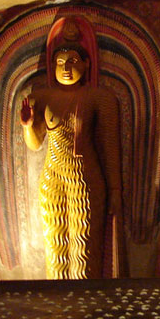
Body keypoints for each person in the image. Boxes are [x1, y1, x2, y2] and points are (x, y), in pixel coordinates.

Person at [20, 16, 124, 279]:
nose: (66, 68)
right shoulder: (41, 97)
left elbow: (110, 147)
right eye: (60, 63)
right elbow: (35, 144)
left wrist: (115, 191)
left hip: (85, 177)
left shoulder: (98, 98)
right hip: (52, 176)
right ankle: (59, 298)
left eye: (73, 62)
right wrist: (28, 125)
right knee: (55, 246)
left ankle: (85, 299)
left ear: (87, 64)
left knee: (83, 247)